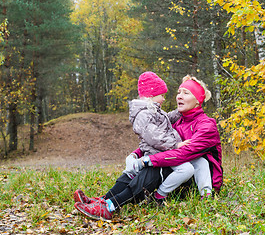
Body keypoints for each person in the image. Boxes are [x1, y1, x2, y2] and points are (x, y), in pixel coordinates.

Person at [73, 74, 223, 221]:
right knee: (142, 168)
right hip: (176, 176)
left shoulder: (207, 126)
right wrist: (136, 155)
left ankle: (111, 206)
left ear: (198, 101)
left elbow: (183, 153)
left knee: (152, 169)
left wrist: (147, 160)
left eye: (186, 93)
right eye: (178, 92)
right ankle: (103, 201)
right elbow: (157, 140)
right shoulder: (176, 121)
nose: (179, 96)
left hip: (194, 184)